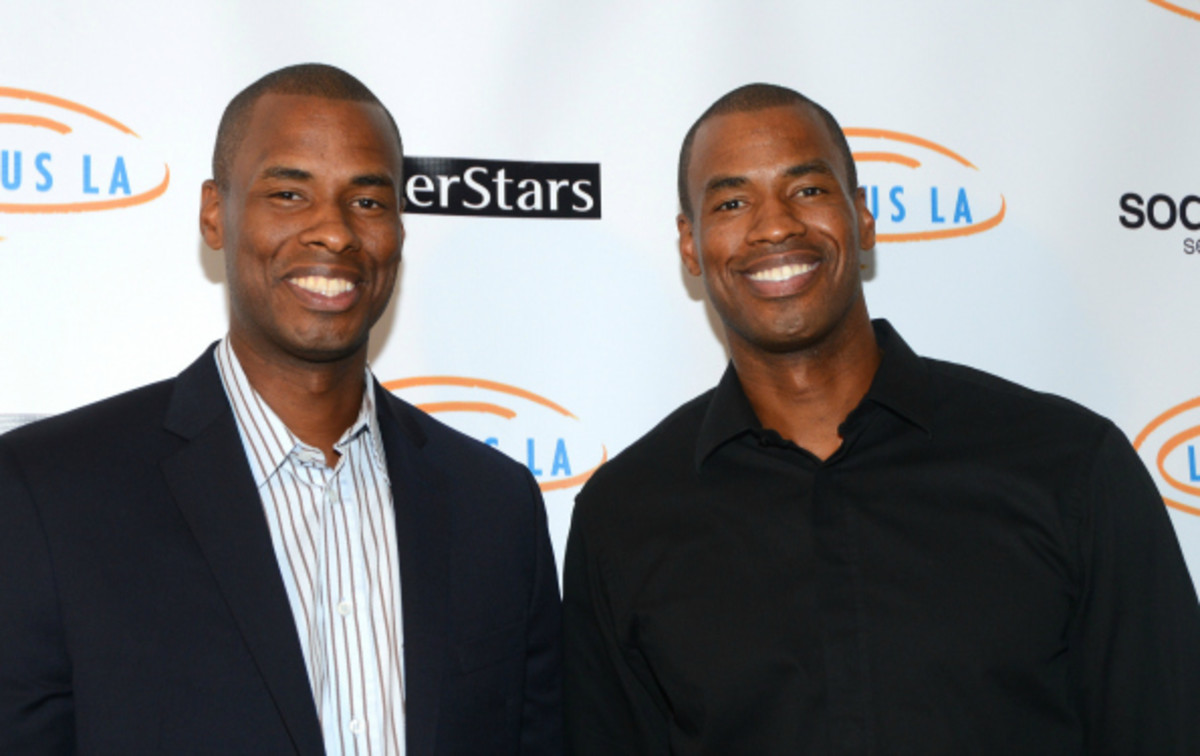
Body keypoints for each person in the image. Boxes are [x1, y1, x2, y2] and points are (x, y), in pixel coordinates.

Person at [563, 83, 1200, 754]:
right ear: (691, 247)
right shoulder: (625, 516)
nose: (775, 225)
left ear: (862, 219)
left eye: (807, 190)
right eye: (731, 202)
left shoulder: (1068, 466)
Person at [0, 64, 562, 755]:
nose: (333, 232)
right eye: (290, 193)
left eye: (367, 201)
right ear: (215, 212)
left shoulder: (495, 508)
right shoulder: (51, 494)